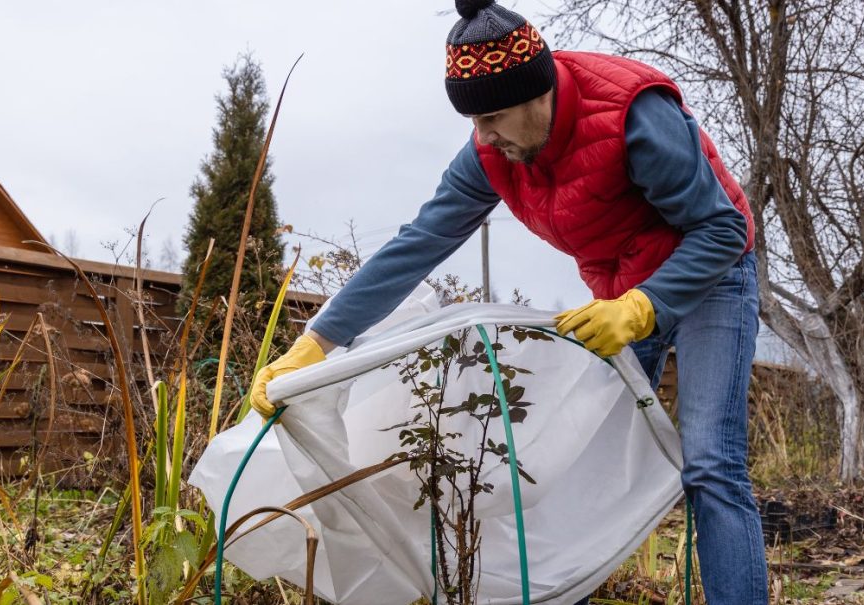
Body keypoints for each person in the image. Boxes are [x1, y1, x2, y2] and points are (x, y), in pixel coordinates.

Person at [249, 0, 768, 601]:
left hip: (708, 273)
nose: (483, 136)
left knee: (709, 462)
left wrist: (643, 307)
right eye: (472, 121)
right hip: (620, 287)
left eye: (492, 117)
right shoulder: (491, 154)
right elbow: (419, 243)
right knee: (583, 464)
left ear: (538, 93)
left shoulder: (632, 116)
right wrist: (318, 342)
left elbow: (722, 229)